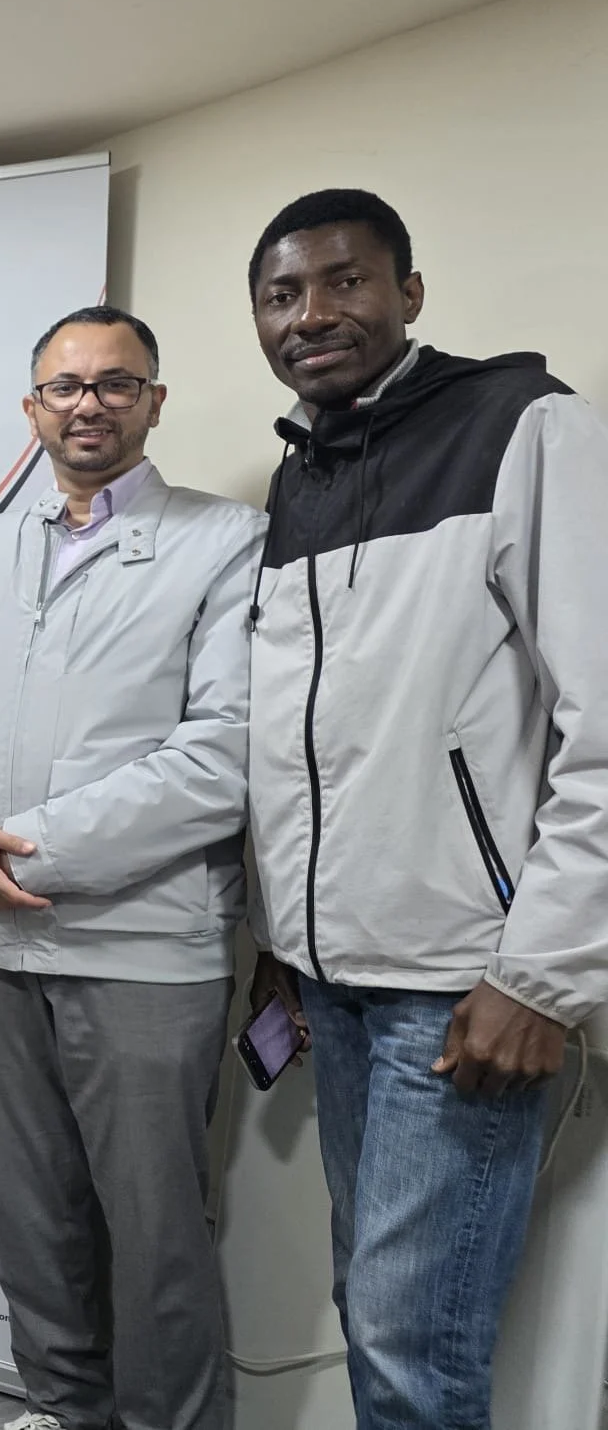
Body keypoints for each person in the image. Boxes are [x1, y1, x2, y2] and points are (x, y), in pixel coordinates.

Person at [244, 189, 608, 1428]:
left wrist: (542, 975)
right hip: (331, 984)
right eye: (281, 295)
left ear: (407, 292)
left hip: (459, 992)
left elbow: (602, 725)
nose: (310, 314)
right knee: (379, 1312)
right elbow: (306, 747)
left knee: (411, 1346)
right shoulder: (300, 478)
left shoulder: (525, 428)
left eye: (342, 282)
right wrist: (278, 947)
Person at [0, 307, 263, 1430]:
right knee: (29, 1209)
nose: (85, 403)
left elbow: (220, 754)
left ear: (152, 400)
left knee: (153, 1231)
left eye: (112, 384)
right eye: (63, 386)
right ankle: (60, 1408)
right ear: (30, 407)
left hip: (139, 946)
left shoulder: (223, 542)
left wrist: (21, 849)